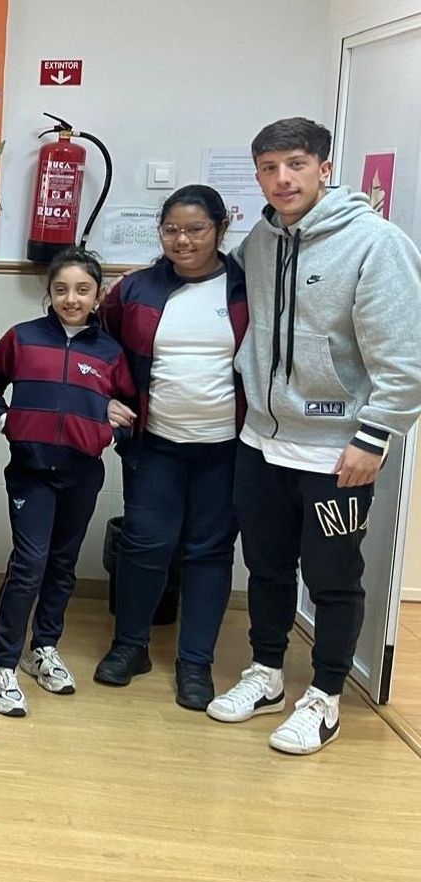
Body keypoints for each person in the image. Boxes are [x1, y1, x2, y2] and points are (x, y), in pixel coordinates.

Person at [209, 117, 421, 754]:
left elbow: (406, 357)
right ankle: (267, 673)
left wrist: (375, 437)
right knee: (267, 568)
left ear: (325, 169)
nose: (283, 179)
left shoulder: (376, 243)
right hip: (261, 442)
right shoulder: (262, 239)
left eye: (296, 164)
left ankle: (325, 695)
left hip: (337, 452)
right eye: (269, 168)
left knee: (332, 578)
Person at [91, 185, 249, 711]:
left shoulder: (245, 288)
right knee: (145, 544)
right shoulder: (135, 290)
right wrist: (104, 401)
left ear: (220, 229)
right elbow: (100, 349)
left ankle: (195, 662)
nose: (183, 240)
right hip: (155, 444)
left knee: (209, 551)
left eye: (196, 230)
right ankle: (129, 647)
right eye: (171, 230)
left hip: (225, 448)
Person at [0, 248, 135, 717]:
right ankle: (0, 666)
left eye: (83, 290)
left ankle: (43, 648)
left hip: (82, 473)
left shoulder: (109, 352)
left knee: (62, 564)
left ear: (98, 295)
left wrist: (107, 430)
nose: (72, 298)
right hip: (31, 472)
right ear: (49, 291)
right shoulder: (23, 338)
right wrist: (5, 420)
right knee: (30, 564)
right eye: (62, 289)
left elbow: (131, 411)